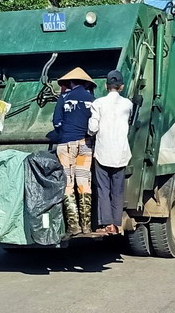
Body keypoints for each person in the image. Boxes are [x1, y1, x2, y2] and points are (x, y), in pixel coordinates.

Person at [88, 70, 133, 235]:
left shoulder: (98, 103)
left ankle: (106, 223)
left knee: (103, 189)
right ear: (122, 86)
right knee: (117, 190)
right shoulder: (128, 104)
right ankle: (116, 222)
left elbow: (93, 129)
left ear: (106, 86)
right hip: (121, 154)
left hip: (102, 153)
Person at [52, 67, 96, 235]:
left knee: (68, 184)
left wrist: (64, 133)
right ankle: (87, 225)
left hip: (67, 145)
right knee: (84, 183)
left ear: (71, 82)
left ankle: (74, 225)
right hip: (86, 145)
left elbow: (56, 122)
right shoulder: (92, 99)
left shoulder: (64, 97)